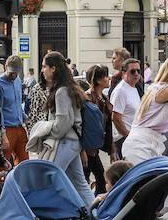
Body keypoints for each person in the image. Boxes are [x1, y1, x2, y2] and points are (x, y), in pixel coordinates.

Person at [41, 51, 88, 199]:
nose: (42, 70)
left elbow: (63, 123)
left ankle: (56, 214)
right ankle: (93, 215)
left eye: (44, 67)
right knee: (79, 183)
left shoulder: (61, 91)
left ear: (53, 68)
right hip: (73, 142)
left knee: (50, 178)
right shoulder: (69, 88)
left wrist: (47, 132)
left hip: (65, 142)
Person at [83, 64, 114, 195]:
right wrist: (82, 150)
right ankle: (95, 205)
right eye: (106, 76)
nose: (109, 78)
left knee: (88, 178)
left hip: (94, 147)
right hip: (87, 147)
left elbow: (108, 126)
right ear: (98, 80)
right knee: (99, 177)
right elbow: (82, 125)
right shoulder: (87, 98)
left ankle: (91, 205)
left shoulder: (103, 99)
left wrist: (111, 149)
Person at [0, 55, 27, 167]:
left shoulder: (18, 80)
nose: (14, 75)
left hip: (19, 126)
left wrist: (24, 117)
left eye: (16, 72)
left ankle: (22, 183)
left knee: (25, 161)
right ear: (5, 67)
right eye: (11, 72)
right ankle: (2, 184)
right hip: (7, 128)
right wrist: (3, 133)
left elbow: (17, 103)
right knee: (4, 163)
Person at [109, 58, 142, 159]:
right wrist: (127, 136)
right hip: (124, 139)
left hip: (133, 137)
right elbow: (116, 118)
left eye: (138, 71)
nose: (136, 74)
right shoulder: (121, 91)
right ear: (124, 73)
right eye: (132, 71)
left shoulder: (133, 87)